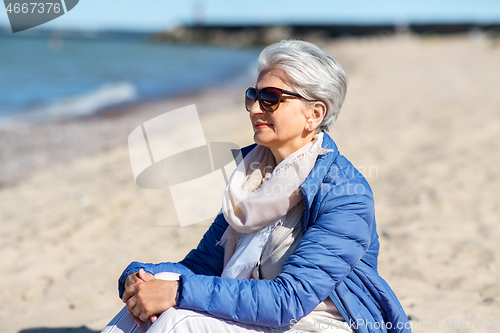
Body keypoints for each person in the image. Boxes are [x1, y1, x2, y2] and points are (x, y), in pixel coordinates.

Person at [109, 40, 411, 333]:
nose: (255, 109)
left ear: (314, 114)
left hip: (320, 323)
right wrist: (138, 278)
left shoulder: (346, 195)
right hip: (261, 315)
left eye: (271, 98)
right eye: (253, 96)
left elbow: (289, 299)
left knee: (179, 320)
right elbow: (201, 266)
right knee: (149, 298)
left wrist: (178, 292)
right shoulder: (250, 180)